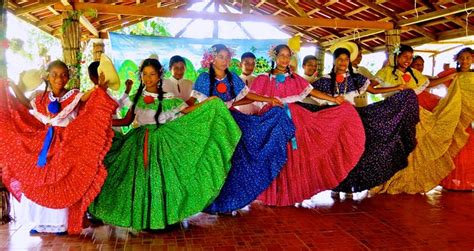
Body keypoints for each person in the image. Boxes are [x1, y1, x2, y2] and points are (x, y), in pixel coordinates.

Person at [88, 58, 242, 230]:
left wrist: (209, 102)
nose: (148, 78)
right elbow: (126, 120)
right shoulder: (136, 97)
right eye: (145, 74)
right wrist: (103, 124)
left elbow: (187, 110)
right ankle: (144, 219)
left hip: (162, 141)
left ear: (160, 75)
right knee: (139, 179)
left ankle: (163, 217)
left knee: (162, 178)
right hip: (138, 142)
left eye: (152, 74)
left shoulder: (168, 98)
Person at [0, 60, 117, 234]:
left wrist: (98, 88)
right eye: (54, 74)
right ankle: (40, 223)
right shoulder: (40, 97)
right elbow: (24, 103)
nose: (59, 78)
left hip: (66, 145)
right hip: (42, 144)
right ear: (47, 76)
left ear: (68, 77)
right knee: (40, 181)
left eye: (63, 75)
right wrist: (11, 86)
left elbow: (86, 97)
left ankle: (60, 224)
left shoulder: (73, 95)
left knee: (61, 181)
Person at [251, 44, 365, 206]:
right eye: (282, 55)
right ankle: (275, 193)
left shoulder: (294, 78)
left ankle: (289, 193)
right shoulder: (263, 78)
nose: (285, 59)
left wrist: (334, 100)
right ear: (275, 57)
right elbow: (253, 96)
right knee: (276, 154)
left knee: (292, 156)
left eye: (288, 55)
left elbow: (311, 90)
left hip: (294, 118)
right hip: (273, 119)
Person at [193, 44, 295, 214]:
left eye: (227, 57)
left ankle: (229, 203)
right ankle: (208, 200)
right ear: (212, 58)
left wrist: (269, 99)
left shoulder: (232, 77)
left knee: (236, 161)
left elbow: (246, 95)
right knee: (213, 162)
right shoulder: (203, 78)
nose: (225, 60)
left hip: (232, 120)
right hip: (210, 123)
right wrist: (179, 110)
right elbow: (195, 102)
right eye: (221, 57)